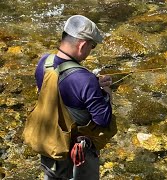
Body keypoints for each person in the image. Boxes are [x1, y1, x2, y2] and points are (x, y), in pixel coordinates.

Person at [34, 15, 113, 180]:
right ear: (83, 45)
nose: (89, 52)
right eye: (92, 47)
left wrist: (91, 85)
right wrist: (105, 91)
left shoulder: (44, 62)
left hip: (49, 146)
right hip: (75, 156)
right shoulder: (85, 80)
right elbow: (103, 120)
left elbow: (61, 89)